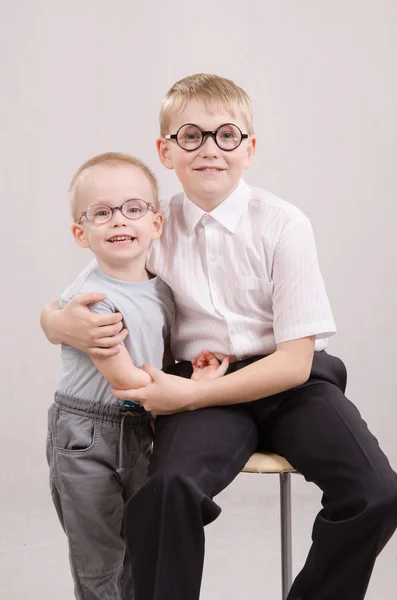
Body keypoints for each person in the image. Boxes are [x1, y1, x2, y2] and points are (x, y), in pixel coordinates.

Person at [41, 75, 397, 600]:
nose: (210, 149)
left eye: (226, 135)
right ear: (166, 150)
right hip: (204, 383)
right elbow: (91, 284)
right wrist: (55, 320)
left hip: (289, 384)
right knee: (166, 490)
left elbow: (295, 363)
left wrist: (187, 395)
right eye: (191, 136)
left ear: (249, 149)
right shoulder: (155, 225)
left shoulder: (284, 225)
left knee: (377, 493)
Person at [45, 151, 229, 600]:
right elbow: (128, 382)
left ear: (156, 224)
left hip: (143, 428)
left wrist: (189, 366)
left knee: (141, 550)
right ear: (80, 233)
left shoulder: (162, 288)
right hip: (88, 435)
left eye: (133, 208)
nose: (119, 221)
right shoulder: (90, 303)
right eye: (101, 213)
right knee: (101, 560)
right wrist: (195, 388)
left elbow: (159, 358)